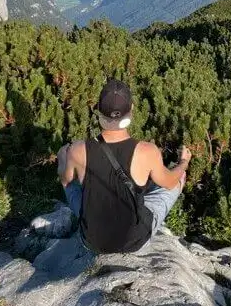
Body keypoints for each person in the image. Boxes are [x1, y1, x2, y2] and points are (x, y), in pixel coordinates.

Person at [58, 79, 191, 254]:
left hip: (92, 241)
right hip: (133, 243)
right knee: (178, 177)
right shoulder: (147, 151)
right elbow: (169, 183)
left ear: (98, 109)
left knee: (69, 183)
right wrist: (183, 163)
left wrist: (62, 156)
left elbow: (65, 180)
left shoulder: (77, 149)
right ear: (132, 109)